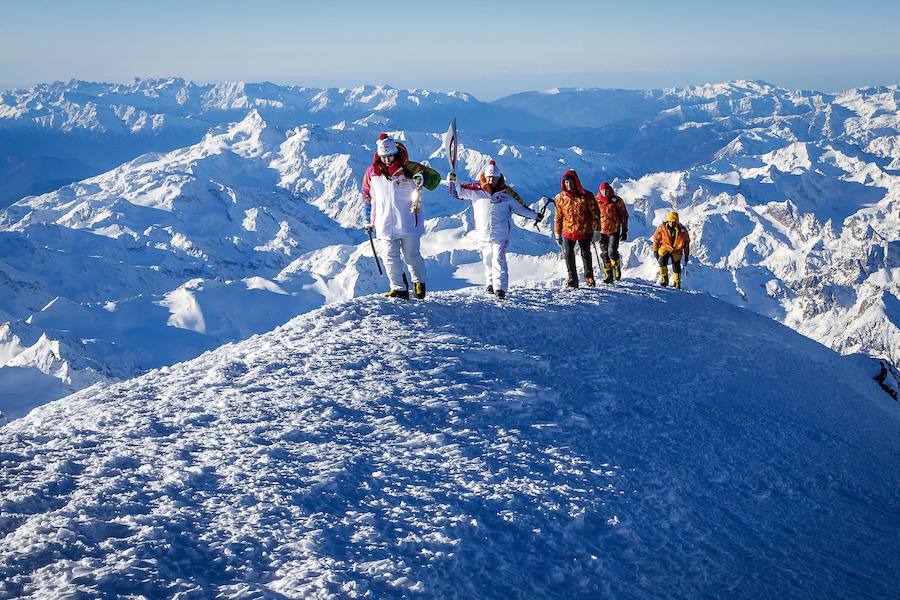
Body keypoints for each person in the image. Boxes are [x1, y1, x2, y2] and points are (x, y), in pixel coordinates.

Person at [362, 133, 440, 299]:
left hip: (408, 221)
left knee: (412, 256)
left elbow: (434, 180)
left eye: (390, 156)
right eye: (384, 157)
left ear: (395, 154)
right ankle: (399, 288)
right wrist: (367, 220)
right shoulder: (372, 173)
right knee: (390, 257)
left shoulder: (408, 169)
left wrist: (421, 177)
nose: (388, 160)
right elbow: (367, 196)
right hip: (384, 223)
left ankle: (419, 282)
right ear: (379, 156)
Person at [449, 160, 541, 298]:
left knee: (498, 259)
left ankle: (500, 288)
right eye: (489, 177)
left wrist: (535, 215)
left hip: (501, 234)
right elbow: (459, 192)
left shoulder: (506, 195)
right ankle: (490, 285)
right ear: (485, 177)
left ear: (499, 178)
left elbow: (520, 209)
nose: (491, 180)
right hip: (483, 234)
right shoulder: (476, 191)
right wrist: (453, 180)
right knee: (487, 259)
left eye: (494, 177)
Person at [554, 169, 600, 288]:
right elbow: (558, 216)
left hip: (585, 230)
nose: (568, 185)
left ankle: (589, 277)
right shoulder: (561, 198)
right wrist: (557, 233)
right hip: (567, 231)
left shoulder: (586, 196)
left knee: (585, 254)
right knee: (568, 254)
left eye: (570, 182)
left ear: (576, 182)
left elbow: (595, 213)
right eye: (566, 182)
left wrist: (597, 230)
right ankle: (572, 279)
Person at [595, 181, 629, 283]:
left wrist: (624, 230)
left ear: (610, 190)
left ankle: (616, 267)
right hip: (601, 231)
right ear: (600, 191)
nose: (605, 193)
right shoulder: (596, 201)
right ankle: (608, 275)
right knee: (605, 253)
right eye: (602, 191)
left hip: (614, 230)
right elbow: (593, 215)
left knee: (612, 251)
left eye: (606, 190)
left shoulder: (617, 200)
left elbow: (624, 215)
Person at [653, 211, 691, 289]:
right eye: (670, 221)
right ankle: (664, 280)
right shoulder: (662, 228)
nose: (672, 223)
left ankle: (677, 283)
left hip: (677, 250)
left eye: (674, 222)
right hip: (665, 248)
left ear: (677, 222)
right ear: (668, 220)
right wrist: (655, 250)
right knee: (662, 262)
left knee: (676, 266)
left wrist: (686, 255)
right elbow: (656, 239)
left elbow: (686, 244)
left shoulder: (682, 231)